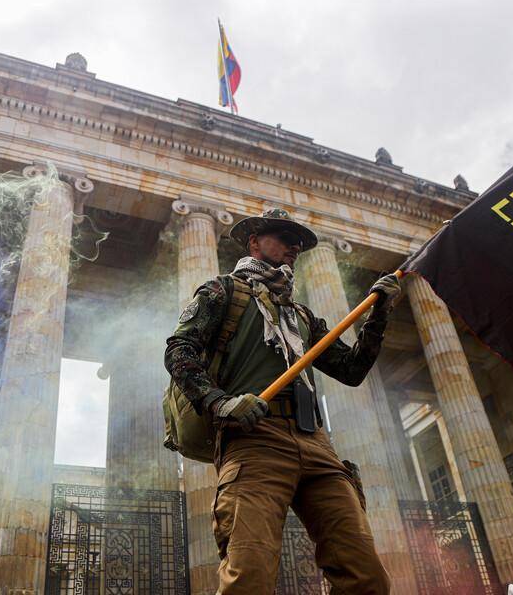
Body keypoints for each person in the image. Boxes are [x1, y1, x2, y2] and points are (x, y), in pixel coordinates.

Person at [165, 208, 401, 594]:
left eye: (299, 243)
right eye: (284, 237)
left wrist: (378, 316)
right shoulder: (223, 291)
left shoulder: (301, 315)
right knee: (249, 577)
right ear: (254, 242)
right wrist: (219, 402)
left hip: (317, 446)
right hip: (255, 441)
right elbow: (179, 349)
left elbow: (351, 370)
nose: (294, 247)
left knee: (367, 576)